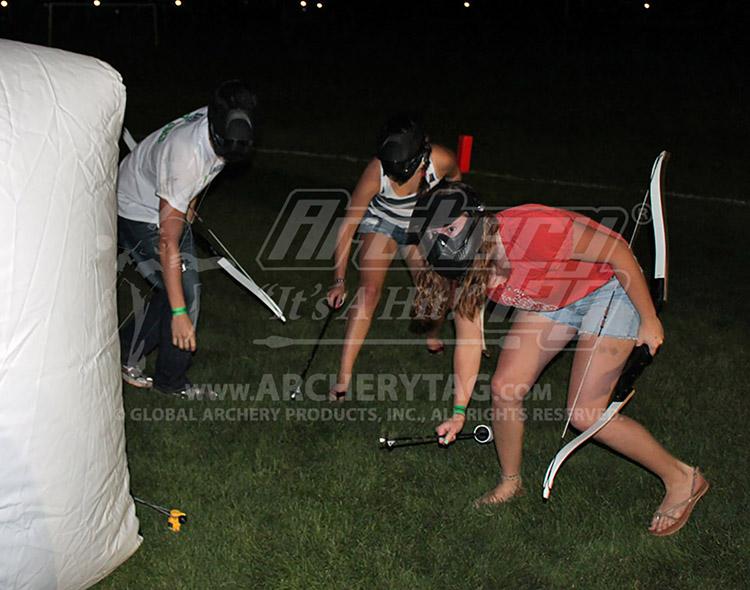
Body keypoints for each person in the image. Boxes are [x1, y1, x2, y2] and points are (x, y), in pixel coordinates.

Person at [411, 180, 709, 536]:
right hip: (554, 300)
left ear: (474, 217)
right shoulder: (463, 269)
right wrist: (459, 413)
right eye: (436, 232)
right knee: (505, 388)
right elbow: (469, 343)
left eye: (451, 226)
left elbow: (615, 249)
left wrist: (648, 318)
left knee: (586, 413)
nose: (444, 238)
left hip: (607, 287)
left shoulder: (531, 229)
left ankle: (682, 478)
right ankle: (511, 483)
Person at [118, 80, 257, 398]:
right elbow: (168, 244)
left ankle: (127, 355)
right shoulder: (185, 158)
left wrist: (189, 205)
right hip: (138, 210)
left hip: (163, 197)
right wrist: (180, 316)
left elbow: (205, 172)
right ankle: (170, 381)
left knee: (180, 288)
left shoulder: (221, 115)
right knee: (182, 296)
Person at [325, 113, 461, 402]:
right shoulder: (377, 171)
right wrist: (338, 280)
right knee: (369, 292)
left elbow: (456, 183)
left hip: (419, 224)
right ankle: (343, 378)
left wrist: (450, 212)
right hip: (381, 223)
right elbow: (348, 225)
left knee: (435, 289)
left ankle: (432, 335)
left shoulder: (442, 159)